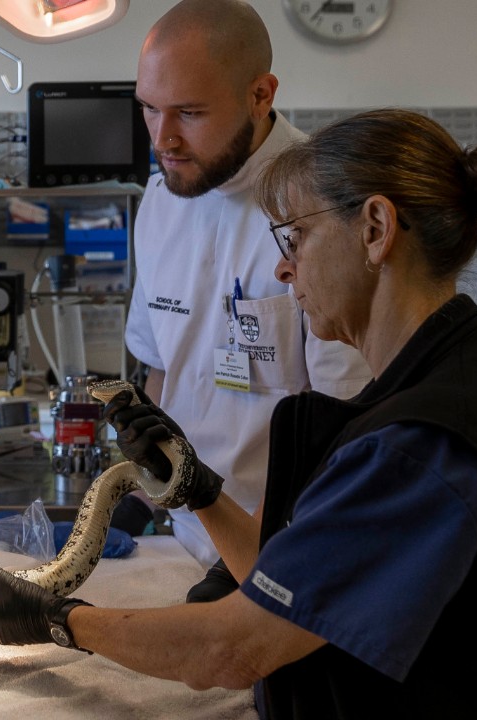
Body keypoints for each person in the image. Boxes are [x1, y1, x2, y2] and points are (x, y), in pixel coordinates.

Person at [0, 107, 477, 718]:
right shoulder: (439, 378)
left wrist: (56, 619)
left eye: (297, 236)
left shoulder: (421, 443)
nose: (283, 264)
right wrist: (197, 489)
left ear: (376, 230)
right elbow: (300, 582)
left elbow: (233, 647)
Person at [120, 0, 371, 574]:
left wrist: (259, 557)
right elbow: (164, 371)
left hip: (287, 544)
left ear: (261, 95)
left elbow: (344, 420)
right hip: (180, 537)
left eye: (189, 113)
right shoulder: (160, 204)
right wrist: (137, 498)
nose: (164, 139)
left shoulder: (324, 208)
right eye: (149, 110)